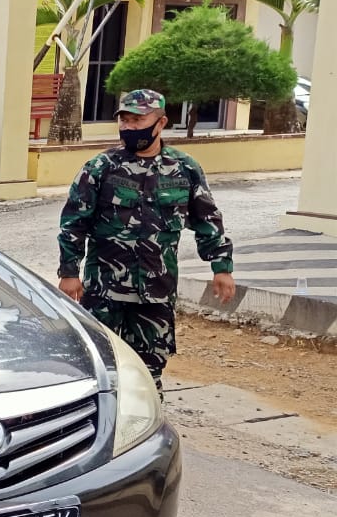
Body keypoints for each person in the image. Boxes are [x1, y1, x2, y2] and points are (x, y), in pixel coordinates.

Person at [56, 88, 235, 397]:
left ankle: (144, 435)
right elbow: (75, 219)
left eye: (137, 119)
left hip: (156, 294)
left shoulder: (184, 169)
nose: (128, 127)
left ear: (161, 122)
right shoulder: (101, 167)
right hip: (105, 293)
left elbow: (208, 219)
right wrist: (69, 271)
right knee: (100, 369)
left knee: (149, 373)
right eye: (124, 119)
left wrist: (221, 267)